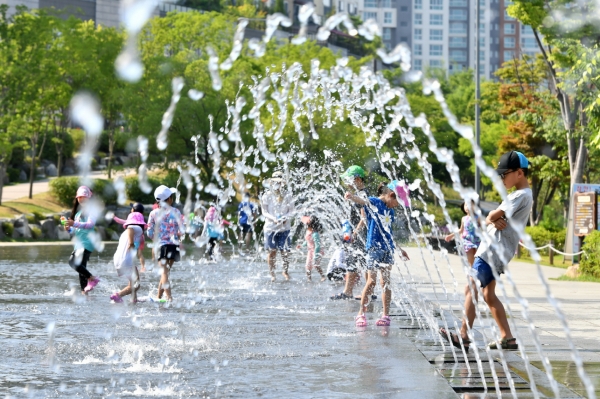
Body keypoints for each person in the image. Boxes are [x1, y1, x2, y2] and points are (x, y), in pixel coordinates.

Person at [440, 151, 532, 352]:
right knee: (488, 294)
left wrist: (492, 216)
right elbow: (494, 217)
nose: (502, 178)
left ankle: (463, 335)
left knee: (471, 287)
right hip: (499, 251)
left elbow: (493, 214)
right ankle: (507, 337)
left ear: (519, 173)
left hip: (491, 250)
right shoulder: (523, 195)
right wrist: (493, 218)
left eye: (504, 173)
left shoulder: (519, 195)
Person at [346, 182, 410, 327]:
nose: (398, 205)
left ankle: (385, 315)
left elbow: (389, 233)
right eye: (398, 201)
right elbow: (363, 201)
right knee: (372, 281)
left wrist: (399, 250)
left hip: (388, 250)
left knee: (386, 282)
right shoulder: (375, 202)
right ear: (391, 195)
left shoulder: (390, 211)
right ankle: (361, 313)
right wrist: (351, 197)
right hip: (374, 248)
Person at [331, 165, 369, 300]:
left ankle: (368, 293)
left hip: (361, 236)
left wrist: (355, 233)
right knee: (352, 262)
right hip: (356, 235)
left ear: (358, 179)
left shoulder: (363, 194)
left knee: (364, 264)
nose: (347, 183)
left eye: (349, 179)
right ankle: (348, 292)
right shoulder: (357, 194)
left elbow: (364, 218)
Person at [147, 185, 185, 301]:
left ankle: (169, 297)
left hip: (161, 245)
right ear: (169, 199)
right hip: (173, 245)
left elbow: (149, 232)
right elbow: (182, 231)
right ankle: (159, 296)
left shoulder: (153, 213)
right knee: (165, 273)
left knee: (164, 273)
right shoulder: (176, 211)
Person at [65, 186, 100, 295]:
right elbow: (75, 230)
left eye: (84, 197)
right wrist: (69, 229)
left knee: (73, 262)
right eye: (79, 197)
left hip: (87, 242)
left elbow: (90, 225)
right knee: (81, 269)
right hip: (79, 243)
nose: (81, 199)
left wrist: (74, 223)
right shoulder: (78, 214)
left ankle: (92, 278)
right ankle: (84, 293)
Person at [261, 171, 295, 282]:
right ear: (272, 182)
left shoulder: (288, 195)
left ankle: (285, 271)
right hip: (270, 227)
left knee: (285, 252)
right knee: (272, 251)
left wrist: (284, 218)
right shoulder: (266, 195)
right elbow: (264, 211)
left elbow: (292, 211)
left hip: (284, 228)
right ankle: (272, 273)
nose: (277, 184)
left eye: (279, 182)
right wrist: (273, 219)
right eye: (275, 182)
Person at [111, 212, 146, 303]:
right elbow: (131, 228)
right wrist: (131, 243)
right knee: (136, 285)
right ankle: (118, 295)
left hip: (118, 260)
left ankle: (133, 299)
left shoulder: (124, 233)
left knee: (132, 282)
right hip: (126, 261)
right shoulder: (137, 228)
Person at [444, 199, 481, 266]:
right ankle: (471, 273)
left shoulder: (478, 218)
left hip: (477, 240)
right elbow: (461, 230)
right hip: (467, 241)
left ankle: (476, 272)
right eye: (466, 205)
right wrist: (451, 235)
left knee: (477, 259)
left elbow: (484, 226)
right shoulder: (464, 218)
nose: (467, 207)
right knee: (470, 260)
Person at [113, 202, 147, 272]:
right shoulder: (140, 222)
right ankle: (142, 267)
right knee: (139, 254)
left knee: (133, 256)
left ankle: (138, 268)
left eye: (132, 208)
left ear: (133, 210)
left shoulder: (131, 223)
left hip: (134, 241)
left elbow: (129, 226)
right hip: (140, 239)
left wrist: (131, 243)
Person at [298, 215, 326, 282]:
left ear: (310, 225)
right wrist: (302, 245)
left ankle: (323, 276)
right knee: (307, 265)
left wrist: (316, 255)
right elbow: (307, 240)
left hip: (317, 251)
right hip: (310, 251)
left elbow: (317, 245)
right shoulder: (308, 231)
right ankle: (309, 279)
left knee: (316, 265)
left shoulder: (315, 234)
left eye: (307, 224)